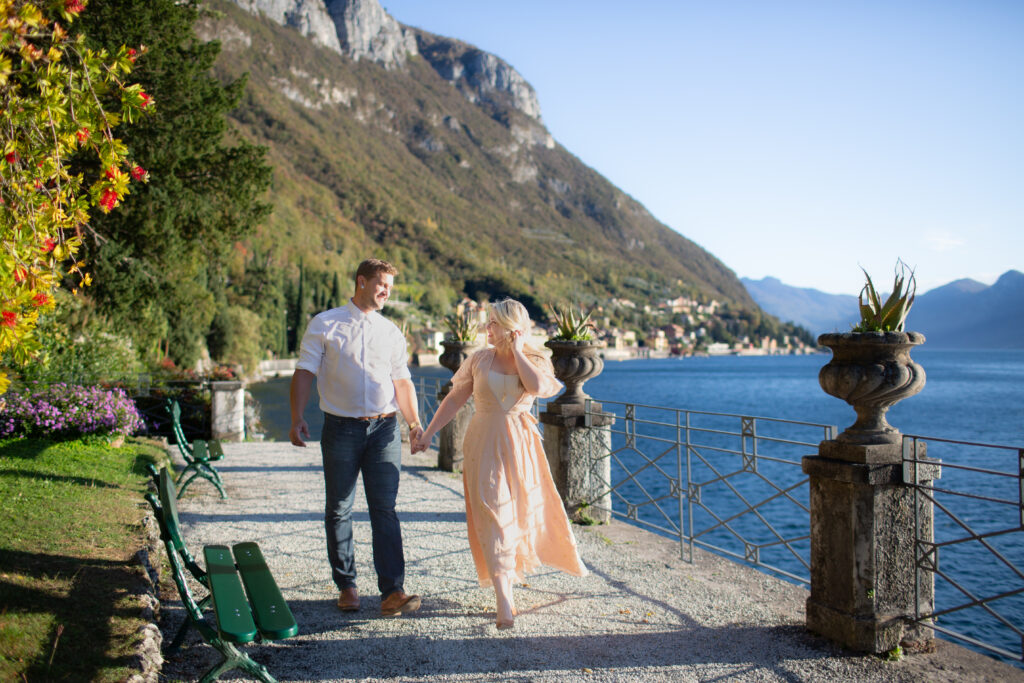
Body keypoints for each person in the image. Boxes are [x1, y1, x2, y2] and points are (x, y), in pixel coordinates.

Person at [411, 298, 588, 629]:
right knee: (494, 513)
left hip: (521, 446)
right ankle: (503, 597)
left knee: (519, 513)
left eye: (492, 323)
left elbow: (538, 388)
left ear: (510, 328)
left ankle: (511, 576)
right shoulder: (479, 360)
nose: (485, 329)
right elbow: (454, 398)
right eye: (487, 322)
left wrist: (519, 351)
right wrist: (428, 433)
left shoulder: (535, 360)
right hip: (484, 442)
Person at [290, 258, 424, 617]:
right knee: (339, 508)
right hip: (341, 428)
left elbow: (402, 382)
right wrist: (297, 416)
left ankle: (392, 592)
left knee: (385, 509)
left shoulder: (391, 332)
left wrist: (414, 424)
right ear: (361, 281)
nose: (385, 292)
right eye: (381, 284)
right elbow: (304, 371)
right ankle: (347, 586)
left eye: (390, 288)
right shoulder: (325, 324)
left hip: (384, 429)